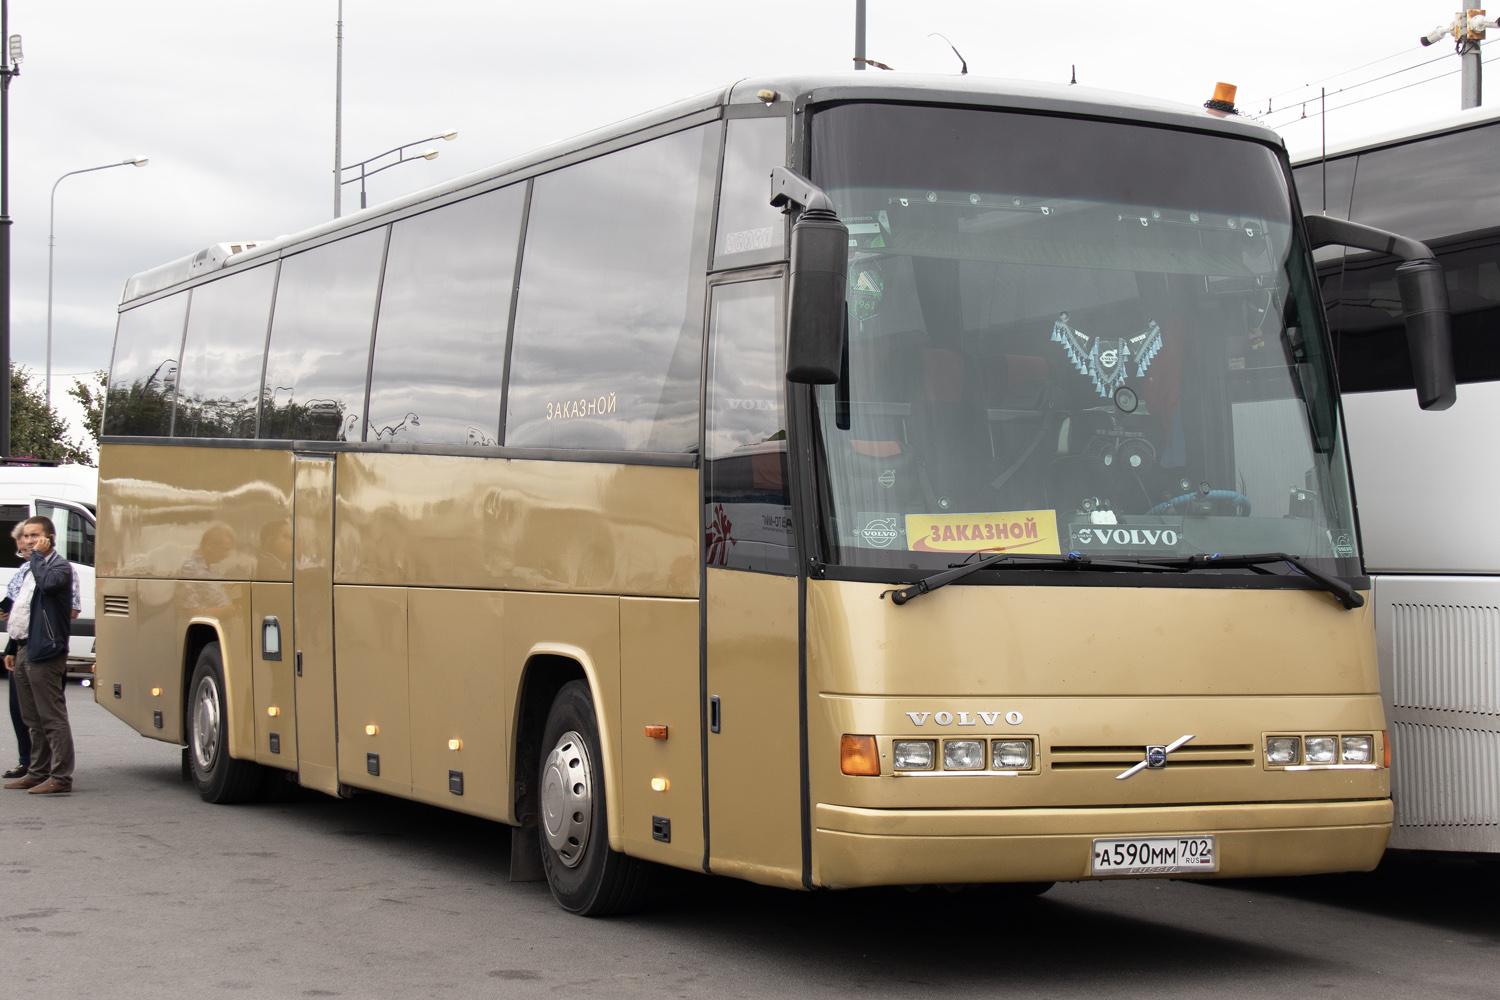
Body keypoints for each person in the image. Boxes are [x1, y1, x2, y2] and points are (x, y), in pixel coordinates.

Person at [3, 516, 77, 795]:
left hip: (46, 649)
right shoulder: (29, 569)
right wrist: (12, 648)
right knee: (32, 718)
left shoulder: (59, 567)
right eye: (26, 536)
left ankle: (61, 777)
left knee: (51, 717)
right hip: (25, 647)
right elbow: (21, 612)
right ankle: (37, 772)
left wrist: (37, 557)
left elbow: (48, 585)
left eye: (35, 535)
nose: (29, 540)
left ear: (50, 538)